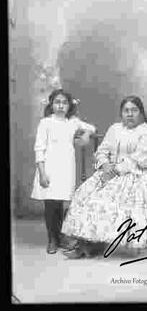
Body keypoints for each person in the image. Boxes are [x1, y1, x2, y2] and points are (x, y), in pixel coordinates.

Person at [61, 95, 147, 259]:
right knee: (84, 193)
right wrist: (104, 164)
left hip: (135, 173)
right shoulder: (115, 129)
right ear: (121, 113)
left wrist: (115, 171)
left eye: (134, 110)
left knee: (108, 197)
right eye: (126, 110)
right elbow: (102, 150)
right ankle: (88, 243)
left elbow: (142, 158)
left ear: (141, 112)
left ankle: (88, 246)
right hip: (109, 170)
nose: (129, 114)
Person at [31, 89, 96, 254]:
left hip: (65, 168)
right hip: (49, 167)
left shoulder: (73, 122)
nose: (60, 106)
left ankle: (59, 237)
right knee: (50, 204)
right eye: (57, 102)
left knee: (59, 203)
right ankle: (52, 238)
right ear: (51, 104)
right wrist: (42, 172)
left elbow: (92, 128)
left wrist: (86, 134)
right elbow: (39, 148)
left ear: (69, 105)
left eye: (64, 102)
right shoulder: (45, 122)